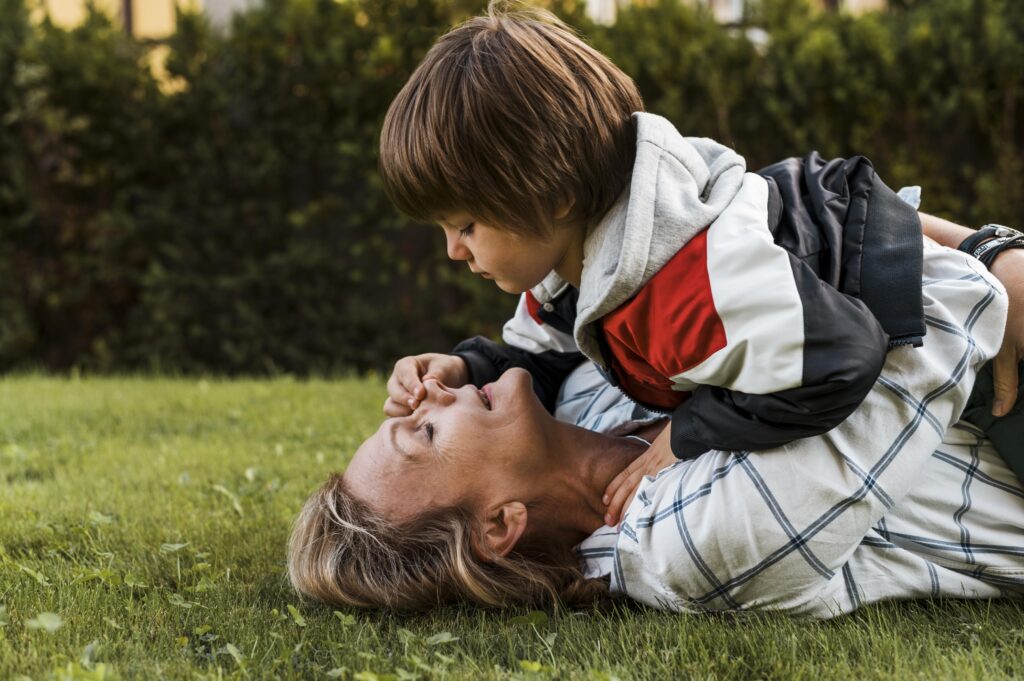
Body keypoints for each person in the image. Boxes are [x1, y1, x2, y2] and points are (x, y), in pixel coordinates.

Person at [376, 3, 1024, 525]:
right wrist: (469, 366)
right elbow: (543, 354)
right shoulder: (577, 260)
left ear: (555, 197)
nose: (453, 251)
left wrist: (688, 432)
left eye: (466, 225)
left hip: (941, 320)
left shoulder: (682, 278)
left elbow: (837, 356)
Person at [287, 239, 1023, 616]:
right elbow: (946, 316)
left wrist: (467, 361)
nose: (426, 402)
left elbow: (566, 300)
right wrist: (991, 250)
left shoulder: (590, 396)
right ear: (498, 527)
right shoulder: (693, 539)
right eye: (422, 435)